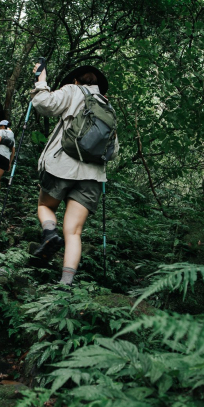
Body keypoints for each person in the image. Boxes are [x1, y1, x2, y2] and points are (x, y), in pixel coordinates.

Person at [30, 64, 117, 287]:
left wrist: (41, 81)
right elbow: (113, 151)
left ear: (76, 81)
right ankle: (65, 284)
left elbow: (43, 103)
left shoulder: (72, 91)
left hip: (62, 167)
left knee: (45, 206)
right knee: (74, 232)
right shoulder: (108, 107)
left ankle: (49, 234)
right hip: (92, 177)